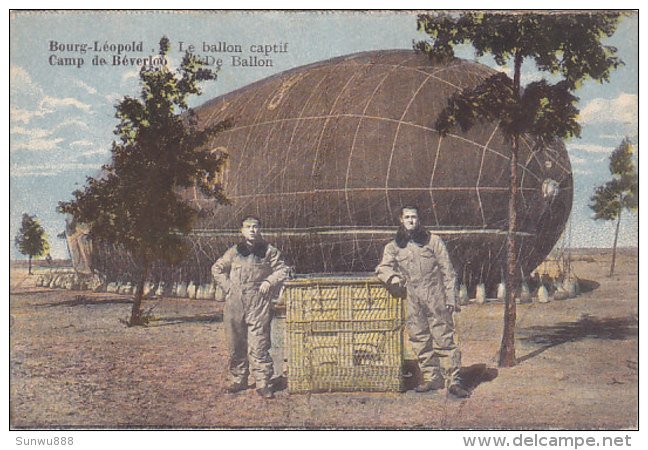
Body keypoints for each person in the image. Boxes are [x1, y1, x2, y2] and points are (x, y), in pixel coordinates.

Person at [376, 206, 470, 398]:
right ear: (401, 220)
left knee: (443, 337)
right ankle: (431, 377)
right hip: (412, 297)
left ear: (419, 220)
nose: (411, 221)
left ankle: (454, 380)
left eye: (414, 217)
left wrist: (451, 297)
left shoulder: (433, 241)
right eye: (407, 217)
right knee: (419, 338)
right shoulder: (394, 246)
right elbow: (383, 267)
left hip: (436, 296)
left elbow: (447, 270)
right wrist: (392, 278)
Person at [212, 216, 290, 399]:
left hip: (258, 301)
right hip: (235, 301)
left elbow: (282, 270)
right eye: (248, 227)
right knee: (236, 343)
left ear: (260, 229)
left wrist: (269, 281)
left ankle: (263, 382)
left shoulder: (269, 251)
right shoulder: (234, 252)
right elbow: (217, 269)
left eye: (255, 227)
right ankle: (238, 379)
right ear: (242, 231)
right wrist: (228, 287)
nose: (252, 230)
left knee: (259, 344)